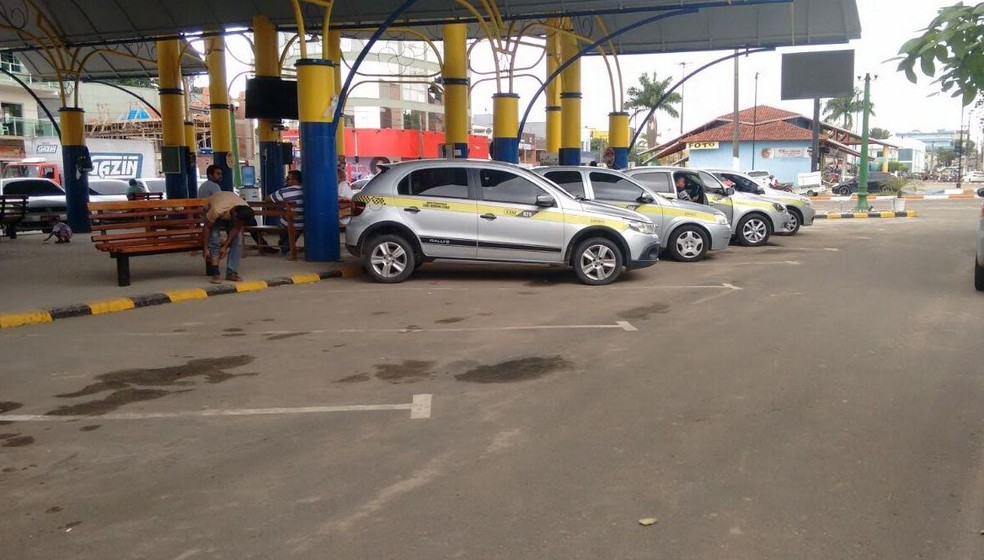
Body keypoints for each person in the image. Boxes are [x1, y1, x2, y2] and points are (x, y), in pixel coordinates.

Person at [203, 191, 255, 283]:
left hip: (228, 210)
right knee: (214, 238)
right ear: (234, 215)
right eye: (238, 221)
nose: (239, 224)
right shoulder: (217, 209)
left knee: (238, 242)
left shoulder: (244, 209)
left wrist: (225, 246)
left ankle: (231, 272)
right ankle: (215, 273)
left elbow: (236, 228)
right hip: (212, 211)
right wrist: (205, 248)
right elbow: (207, 227)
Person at [269, 169, 304, 255]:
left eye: (288, 179)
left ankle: (285, 245)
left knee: (282, 220)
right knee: (293, 224)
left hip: (288, 222)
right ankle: (286, 246)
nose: (286, 180)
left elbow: (268, 199)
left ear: (295, 180)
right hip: (304, 222)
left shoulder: (284, 191)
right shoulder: (307, 190)